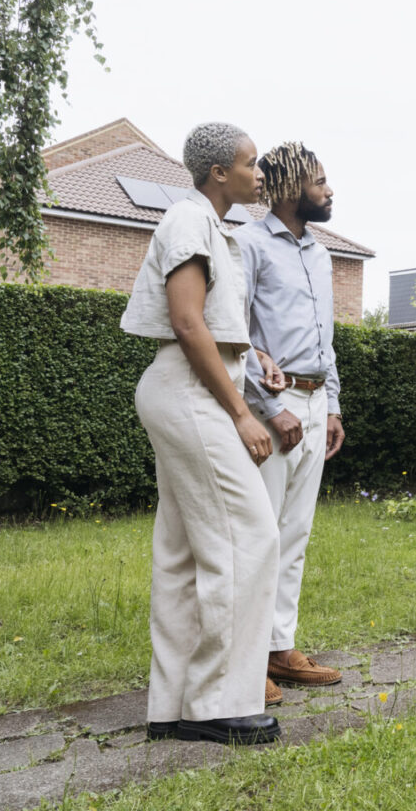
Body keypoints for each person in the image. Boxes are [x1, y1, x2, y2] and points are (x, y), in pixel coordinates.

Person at [120, 122, 281, 745]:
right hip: (190, 394)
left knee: (185, 551)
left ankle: (175, 703)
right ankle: (216, 702)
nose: (259, 172)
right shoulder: (188, 222)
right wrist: (242, 413)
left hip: (186, 389)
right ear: (220, 173)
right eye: (250, 163)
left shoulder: (210, 226)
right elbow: (188, 325)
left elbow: (211, 324)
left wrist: (255, 356)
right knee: (250, 537)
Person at [235, 142, 346, 705]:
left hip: (312, 400)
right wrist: (270, 408)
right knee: (258, 535)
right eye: (321, 182)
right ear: (290, 188)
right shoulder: (249, 245)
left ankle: (280, 647)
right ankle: (244, 661)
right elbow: (235, 334)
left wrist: (332, 405)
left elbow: (325, 340)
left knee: (294, 534)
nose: (329, 191)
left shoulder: (321, 254)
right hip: (270, 408)